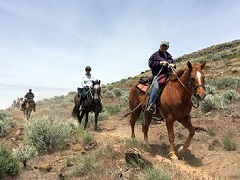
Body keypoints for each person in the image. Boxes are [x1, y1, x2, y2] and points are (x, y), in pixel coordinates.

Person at [147, 40, 176, 113]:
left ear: (168, 47)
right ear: (160, 46)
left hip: (168, 75)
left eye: (165, 46)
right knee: (156, 88)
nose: (164, 47)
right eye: (163, 45)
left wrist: (173, 65)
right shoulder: (155, 55)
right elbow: (150, 63)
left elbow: (173, 64)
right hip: (157, 75)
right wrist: (159, 63)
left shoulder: (169, 57)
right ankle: (150, 105)